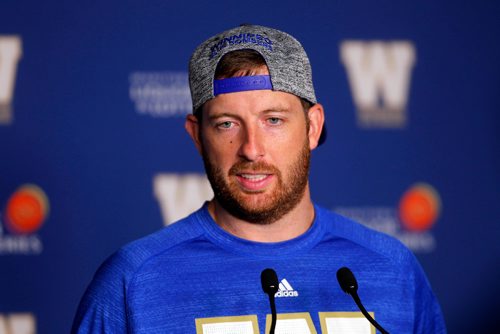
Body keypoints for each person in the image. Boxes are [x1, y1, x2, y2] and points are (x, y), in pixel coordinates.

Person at [72, 24, 446, 333]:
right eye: (227, 124)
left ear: (313, 127)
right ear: (196, 135)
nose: (251, 149)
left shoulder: (392, 269)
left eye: (273, 120)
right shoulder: (132, 282)